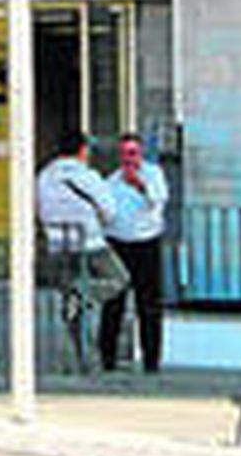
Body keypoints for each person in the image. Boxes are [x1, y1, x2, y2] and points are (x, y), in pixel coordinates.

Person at [35, 129, 129, 372]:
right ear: (82, 150)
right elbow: (110, 212)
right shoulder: (87, 176)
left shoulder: (44, 176)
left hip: (58, 246)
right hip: (90, 244)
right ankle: (84, 295)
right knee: (118, 279)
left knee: (71, 307)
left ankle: (81, 358)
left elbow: (39, 208)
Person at [97, 132, 168, 374]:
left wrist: (138, 184)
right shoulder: (111, 181)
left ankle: (151, 360)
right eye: (124, 154)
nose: (129, 159)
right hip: (119, 243)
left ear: (141, 154)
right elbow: (107, 212)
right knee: (113, 303)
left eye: (133, 153)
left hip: (146, 243)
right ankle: (108, 358)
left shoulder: (154, 174)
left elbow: (157, 199)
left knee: (149, 304)